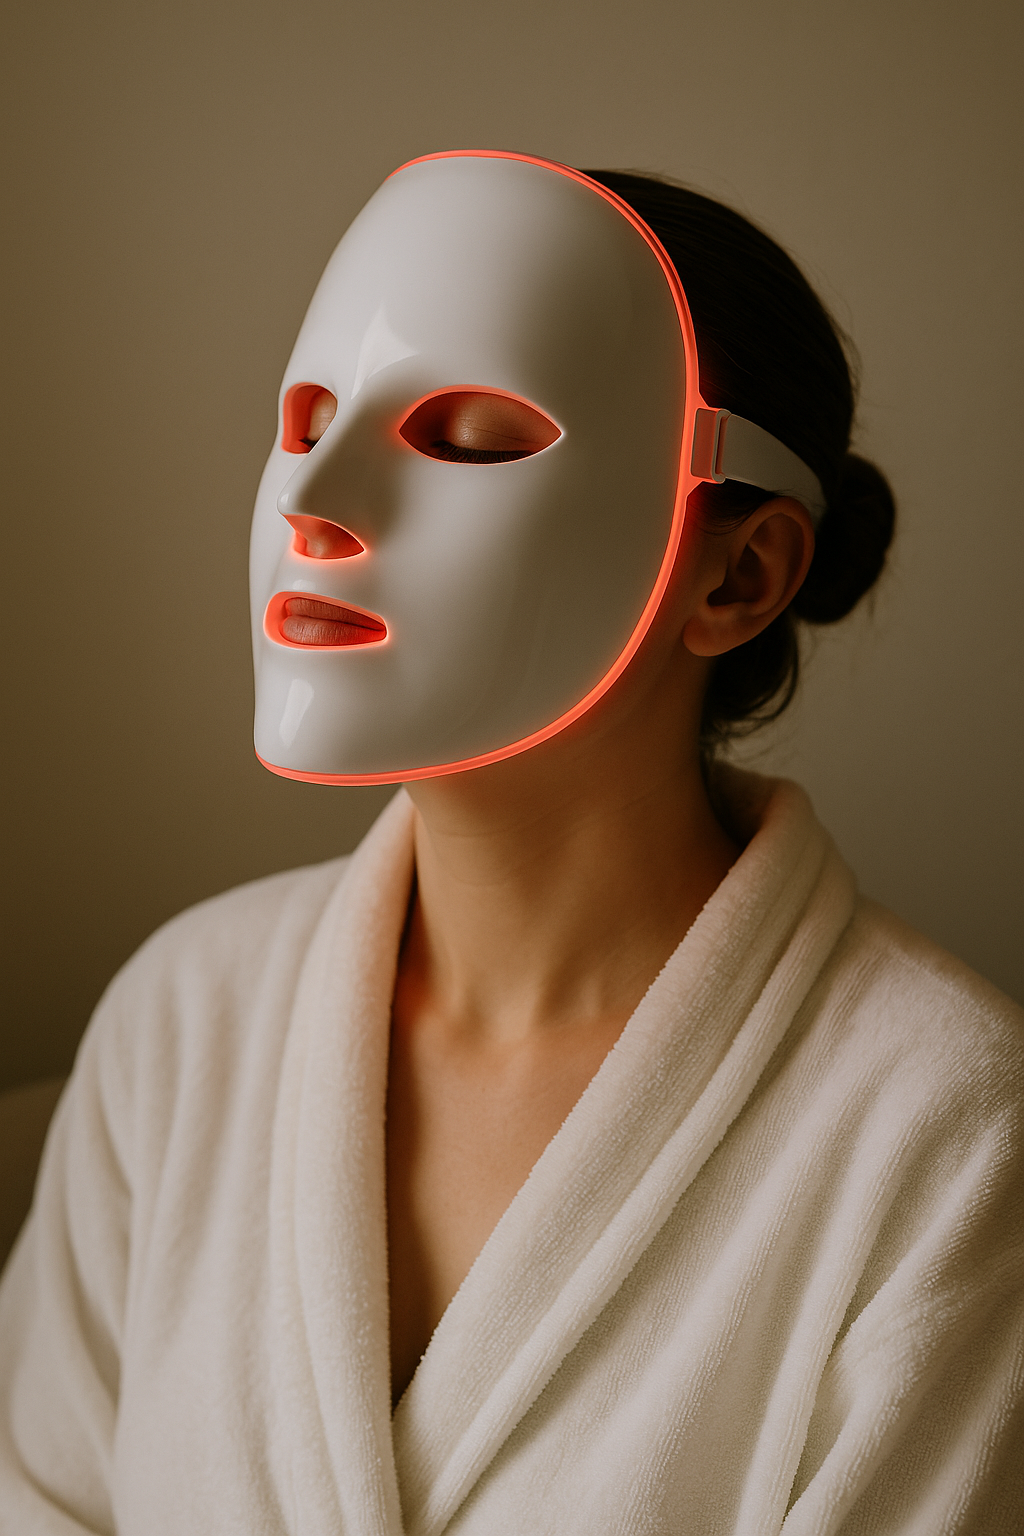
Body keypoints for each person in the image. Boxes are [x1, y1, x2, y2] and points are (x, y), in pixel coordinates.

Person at [0, 153, 1021, 1535]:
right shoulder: (181, 1023)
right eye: (302, 423)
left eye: (468, 441)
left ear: (739, 574)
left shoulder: (952, 1135)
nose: (319, 497)